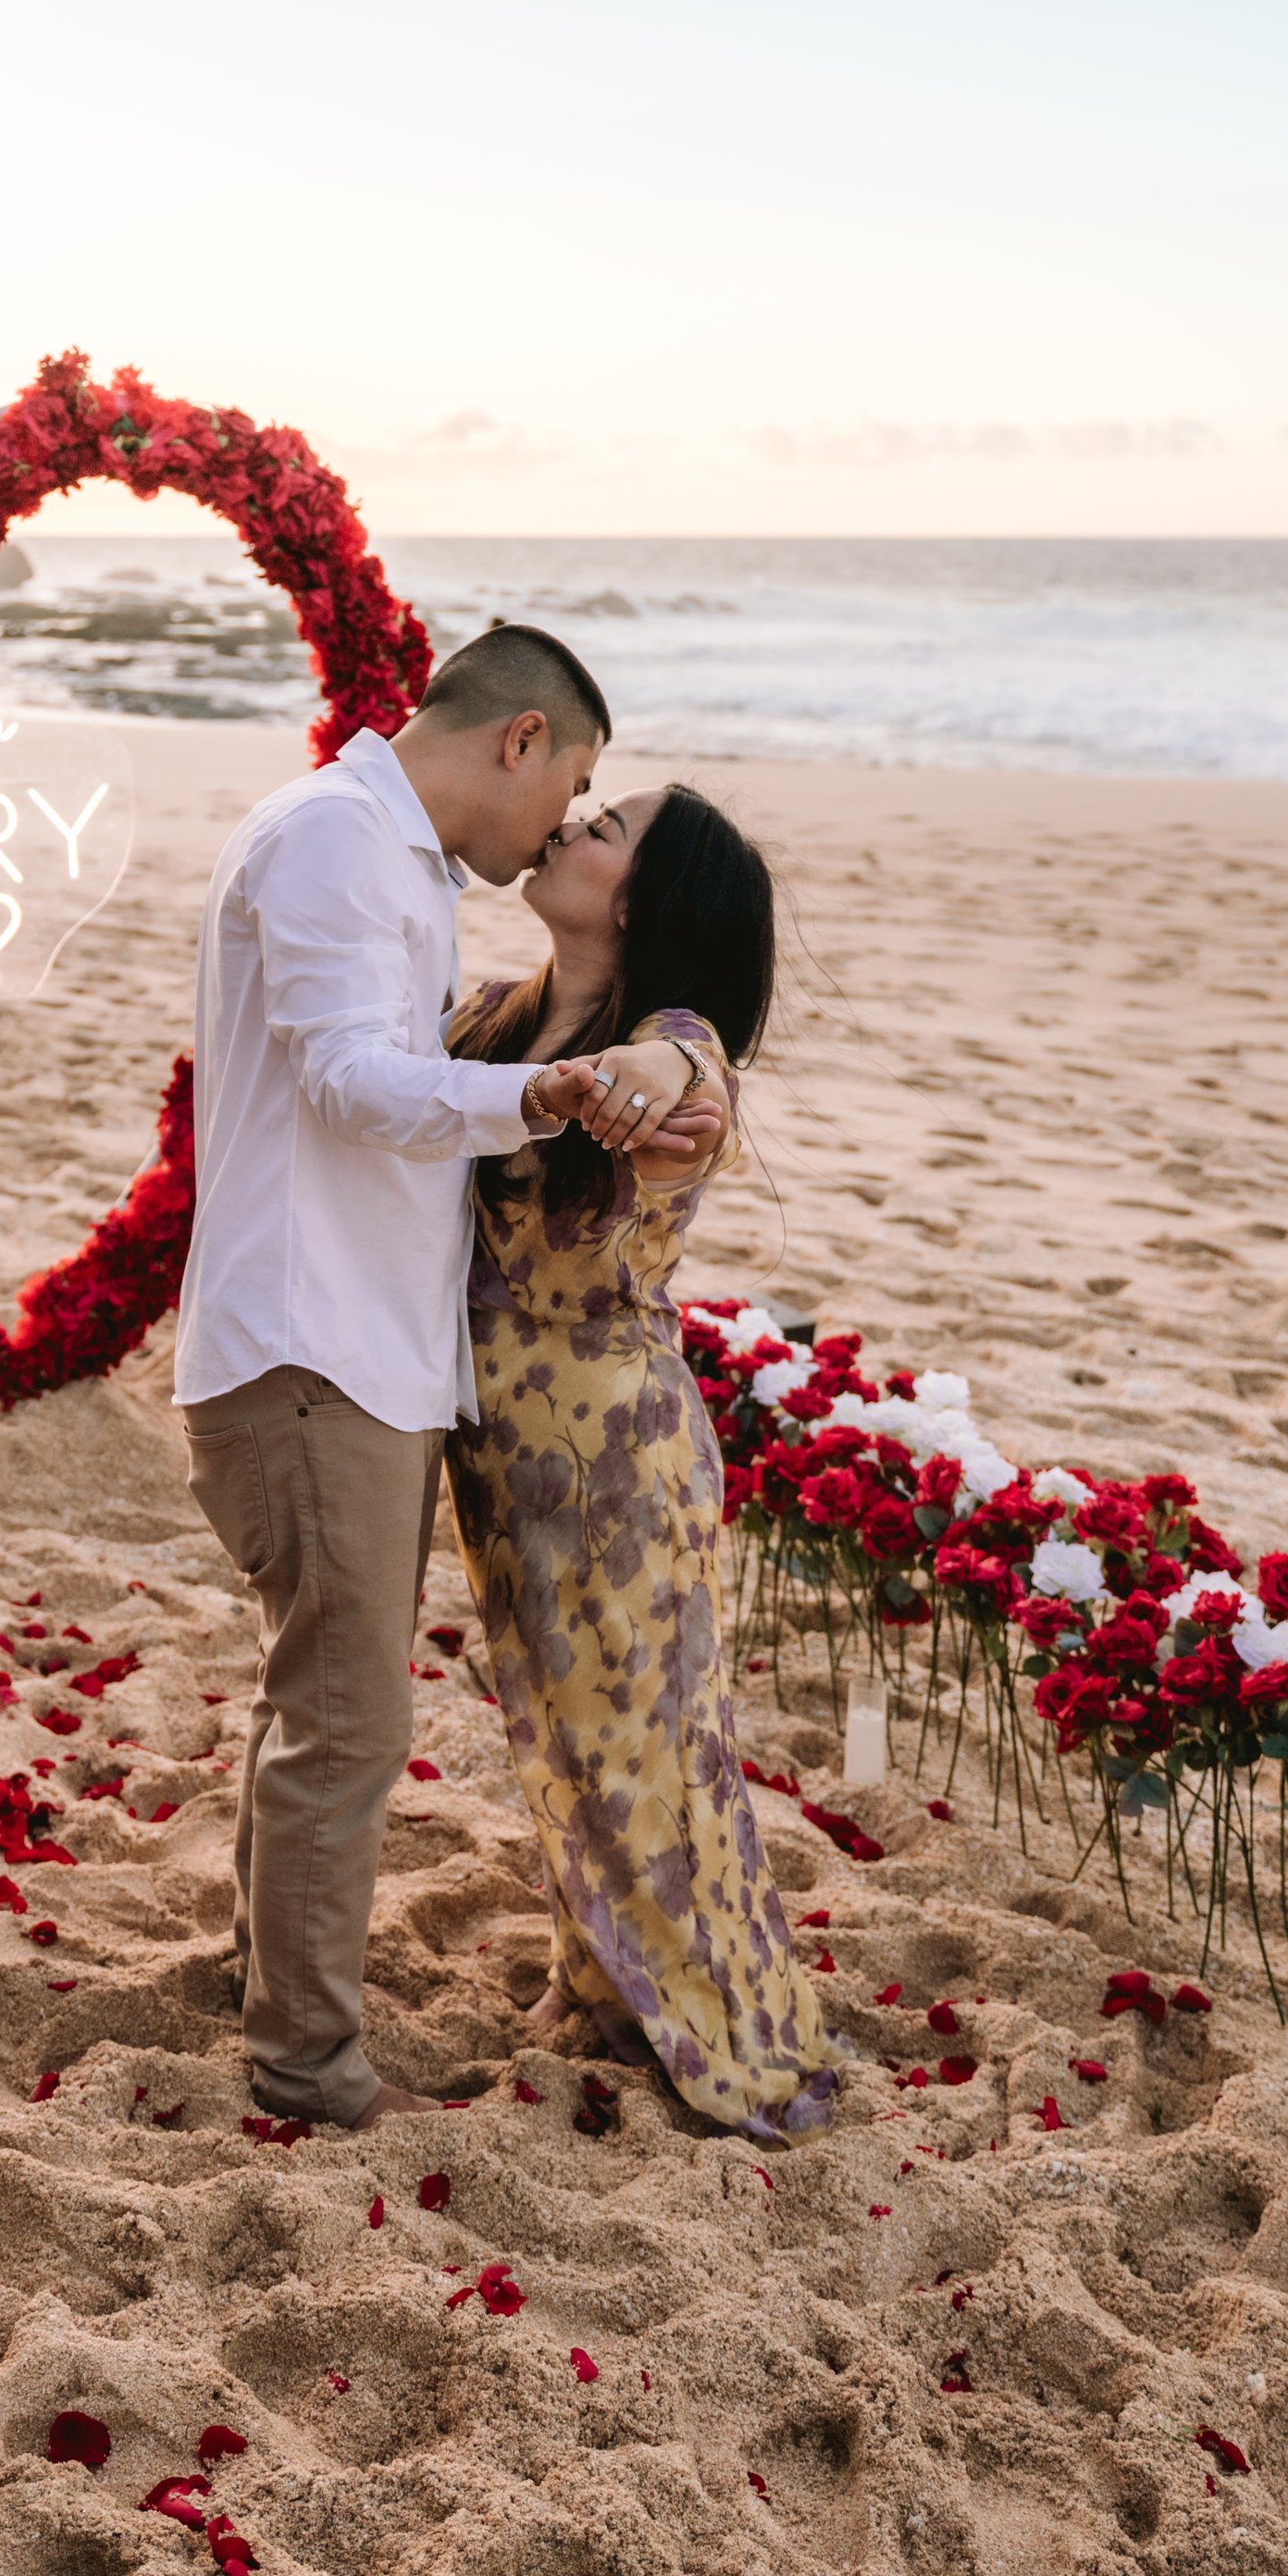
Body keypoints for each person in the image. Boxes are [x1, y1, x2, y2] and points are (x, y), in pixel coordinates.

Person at [177, 628, 702, 2133]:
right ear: (520, 741)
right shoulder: (340, 842)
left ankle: (267, 1983)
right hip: (307, 1348)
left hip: (349, 1351)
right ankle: (305, 2071)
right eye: (577, 784)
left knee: (318, 1709)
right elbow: (348, 1079)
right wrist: (534, 1094)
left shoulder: (382, 853)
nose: (564, 822)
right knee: (347, 1727)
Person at [445, 782, 838, 2136]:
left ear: (642, 899)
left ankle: (732, 2037)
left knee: (647, 1747)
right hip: (497, 1449)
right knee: (554, 1731)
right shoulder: (496, 1015)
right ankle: (607, 1982)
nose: (566, 824)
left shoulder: (671, 1048)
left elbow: (681, 1073)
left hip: (616, 1456)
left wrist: (624, 1090)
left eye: (604, 826)